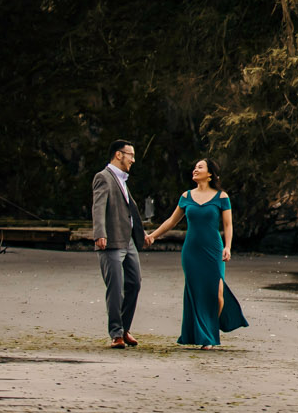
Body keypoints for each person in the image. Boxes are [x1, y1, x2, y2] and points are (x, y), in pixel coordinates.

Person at [145, 158, 248, 349]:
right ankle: (205, 336)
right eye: (194, 167)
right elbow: (171, 221)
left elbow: (228, 224)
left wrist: (228, 246)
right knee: (197, 292)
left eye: (200, 167)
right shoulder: (186, 196)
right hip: (191, 251)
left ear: (210, 174)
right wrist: (153, 236)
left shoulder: (221, 197)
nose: (195, 170)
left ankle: (210, 329)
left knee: (217, 293)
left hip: (213, 250)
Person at [90, 140, 143, 349]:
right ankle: (116, 333)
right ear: (118, 155)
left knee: (135, 283)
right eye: (130, 155)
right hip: (111, 240)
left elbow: (129, 210)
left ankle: (125, 328)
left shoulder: (122, 179)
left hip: (128, 240)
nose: (133, 159)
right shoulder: (103, 177)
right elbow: (98, 206)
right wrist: (100, 233)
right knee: (116, 288)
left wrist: (141, 235)